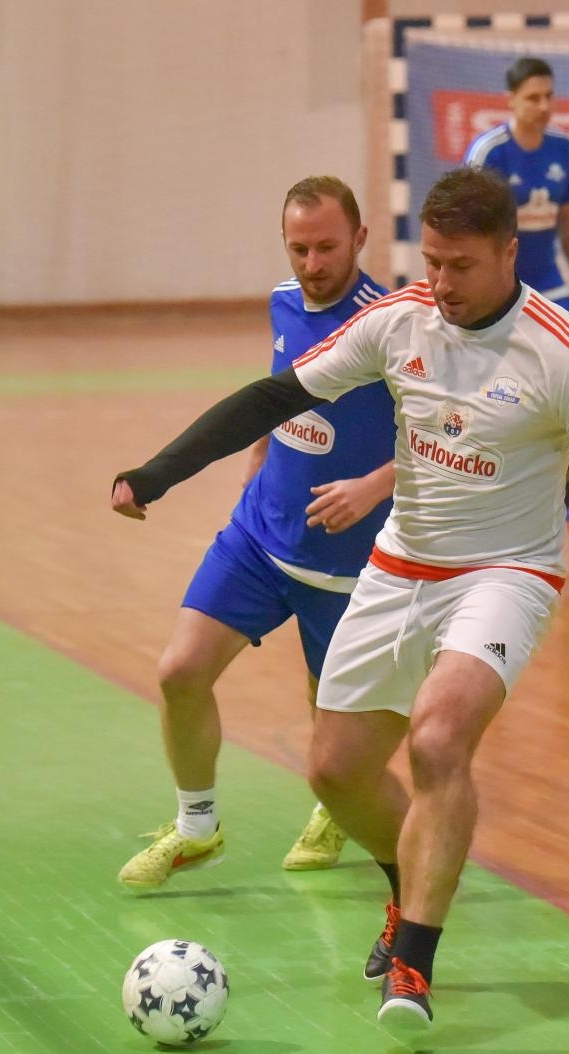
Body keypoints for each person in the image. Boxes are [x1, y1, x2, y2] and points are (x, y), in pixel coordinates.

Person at [110, 167, 569, 1030]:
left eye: (460, 265)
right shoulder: (399, 320)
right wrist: (157, 471)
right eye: (432, 262)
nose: (443, 283)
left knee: (437, 738)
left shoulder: (563, 352)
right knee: (335, 770)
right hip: (398, 567)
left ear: (507, 253)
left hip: (505, 574)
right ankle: (405, 884)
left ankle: (412, 967)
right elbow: (275, 398)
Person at [116, 176, 396, 890]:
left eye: (327, 246)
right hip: (258, 538)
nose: (311, 263)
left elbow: (440, 431)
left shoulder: (393, 326)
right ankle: (195, 826)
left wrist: (373, 485)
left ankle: (335, 810)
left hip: (347, 567)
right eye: (298, 247)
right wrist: (260, 454)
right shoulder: (282, 302)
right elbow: (280, 394)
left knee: (329, 711)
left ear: (360, 239)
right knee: (179, 672)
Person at [465, 55, 569, 539]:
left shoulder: (562, 147)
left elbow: (566, 216)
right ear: (511, 101)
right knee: (490, 395)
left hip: (550, 288)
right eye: (533, 98)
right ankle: (485, 493)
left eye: (549, 96)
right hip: (498, 295)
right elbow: (464, 225)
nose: (544, 106)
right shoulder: (490, 152)